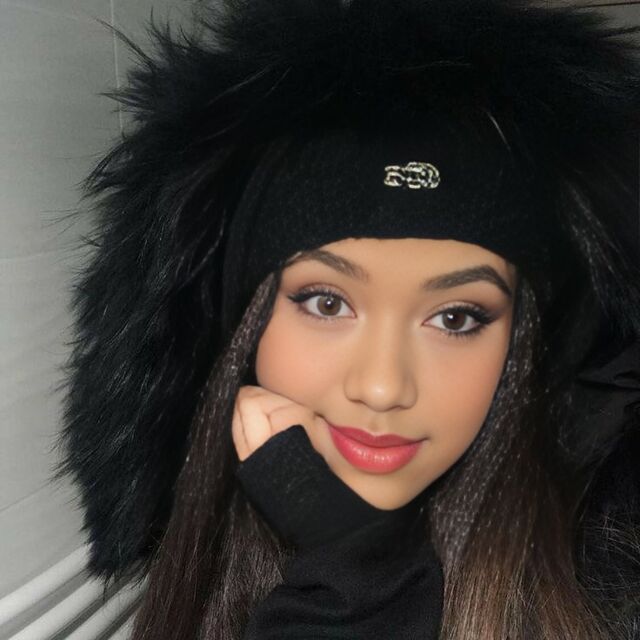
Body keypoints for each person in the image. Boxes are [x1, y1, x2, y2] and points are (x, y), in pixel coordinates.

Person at [52, 0, 640, 638]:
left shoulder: (606, 596)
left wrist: (358, 581)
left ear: (526, 343)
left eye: (456, 317)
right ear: (242, 322)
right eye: (326, 303)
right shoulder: (197, 560)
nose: (383, 387)